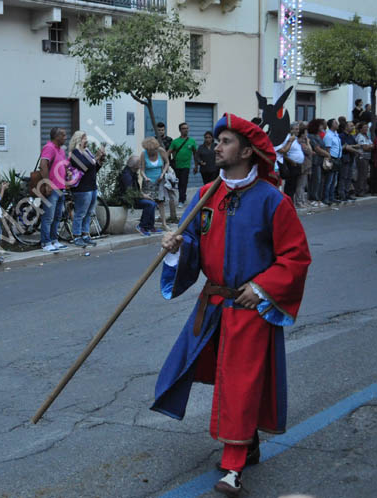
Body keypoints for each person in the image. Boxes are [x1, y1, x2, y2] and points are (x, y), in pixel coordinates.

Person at [153, 113, 311, 497]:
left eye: (225, 141)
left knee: (240, 382)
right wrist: (177, 245)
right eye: (218, 140)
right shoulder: (206, 194)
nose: (217, 146)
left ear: (246, 150)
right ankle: (247, 438)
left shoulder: (273, 200)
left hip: (249, 305)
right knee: (218, 375)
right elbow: (193, 240)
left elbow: (295, 257)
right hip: (214, 304)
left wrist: (262, 288)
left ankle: (233, 465)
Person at [68, 130, 104, 247]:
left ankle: (85, 234)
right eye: (84, 138)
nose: (86, 140)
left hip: (92, 186)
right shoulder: (74, 154)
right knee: (80, 213)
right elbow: (84, 166)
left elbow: (93, 168)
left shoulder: (87, 151)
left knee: (89, 212)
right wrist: (96, 158)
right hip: (82, 188)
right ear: (78, 140)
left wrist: (100, 161)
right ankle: (77, 236)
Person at [38, 127, 69, 252]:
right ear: (57, 137)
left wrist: (67, 176)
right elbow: (43, 165)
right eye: (64, 135)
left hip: (61, 187)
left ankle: (54, 240)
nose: (66, 137)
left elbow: (63, 166)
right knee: (48, 217)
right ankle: (45, 242)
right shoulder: (49, 147)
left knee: (57, 217)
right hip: (52, 188)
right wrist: (47, 184)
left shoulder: (61, 150)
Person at [139, 137, 175, 231]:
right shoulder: (144, 154)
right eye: (148, 150)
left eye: (152, 150)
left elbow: (167, 162)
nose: (150, 152)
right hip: (148, 182)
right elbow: (142, 170)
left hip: (160, 181)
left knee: (161, 203)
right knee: (150, 203)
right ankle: (150, 225)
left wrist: (163, 173)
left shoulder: (161, 151)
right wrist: (145, 177)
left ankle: (164, 223)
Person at [122, 155, 159, 236]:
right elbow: (130, 192)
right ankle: (142, 226)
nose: (141, 166)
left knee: (153, 203)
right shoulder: (127, 175)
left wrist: (144, 195)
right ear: (135, 166)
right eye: (140, 164)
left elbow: (136, 190)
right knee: (150, 204)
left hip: (134, 197)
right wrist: (144, 196)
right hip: (128, 199)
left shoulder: (132, 172)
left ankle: (149, 226)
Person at [168, 122, 198, 206]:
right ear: (180, 130)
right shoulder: (175, 141)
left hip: (186, 166)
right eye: (184, 128)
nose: (186, 130)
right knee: (179, 183)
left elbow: (195, 154)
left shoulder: (192, 141)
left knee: (184, 182)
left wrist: (196, 166)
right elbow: (168, 152)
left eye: (187, 128)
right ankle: (183, 196)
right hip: (176, 166)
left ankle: (181, 200)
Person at [274, 122, 304, 201]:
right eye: (296, 129)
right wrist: (291, 161)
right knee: (288, 186)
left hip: (297, 164)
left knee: (294, 186)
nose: (298, 131)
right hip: (290, 164)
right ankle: (287, 201)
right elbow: (283, 151)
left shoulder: (294, 138)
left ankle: (290, 201)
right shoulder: (287, 138)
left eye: (298, 129)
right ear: (291, 130)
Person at [307, 119, 329, 207]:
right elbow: (317, 149)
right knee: (316, 180)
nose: (322, 127)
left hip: (320, 161)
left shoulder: (318, 136)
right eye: (320, 125)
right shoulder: (311, 136)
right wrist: (328, 154)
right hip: (315, 161)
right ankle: (313, 198)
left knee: (320, 181)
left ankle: (318, 198)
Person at [322, 118, 342, 206]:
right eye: (335, 123)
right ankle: (326, 198)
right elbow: (327, 149)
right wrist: (329, 159)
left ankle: (331, 197)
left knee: (334, 180)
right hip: (332, 158)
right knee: (329, 180)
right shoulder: (329, 135)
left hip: (337, 158)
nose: (337, 123)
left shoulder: (335, 134)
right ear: (331, 125)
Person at [338, 121, 359, 201]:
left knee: (349, 177)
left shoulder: (351, 136)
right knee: (343, 177)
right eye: (351, 126)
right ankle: (341, 194)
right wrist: (354, 149)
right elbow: (345, 147)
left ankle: (347, 193)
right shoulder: (341, 136)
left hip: (351, 158)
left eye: (353, 126)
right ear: (346, 127)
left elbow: (357, 145)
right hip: (344, 159)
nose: (353, 127)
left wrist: (351, 146)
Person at [295, 124, 313, 209]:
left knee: (304, 184)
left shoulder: (303, 141)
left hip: (307, 165)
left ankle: (302, 200)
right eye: (306, 132)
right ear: (302, 133)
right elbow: (309, 151)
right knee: (301, 184)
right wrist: (308, 142)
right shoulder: (301, 142)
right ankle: (299, 201)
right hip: (303, 165)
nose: (307, 134)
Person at [355, 122, 373, 197]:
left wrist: (370, 146)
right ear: (360, 129)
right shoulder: (360, 136)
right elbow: (365, 148)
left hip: (367, 157)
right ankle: (360, 191)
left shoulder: (367, 136)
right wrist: (370, 146)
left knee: (365, 175)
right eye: (365, 127)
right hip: (362, 158)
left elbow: (372, 145)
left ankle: (363, 190)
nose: (366, 129)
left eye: (367, 127)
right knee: (362, 175)